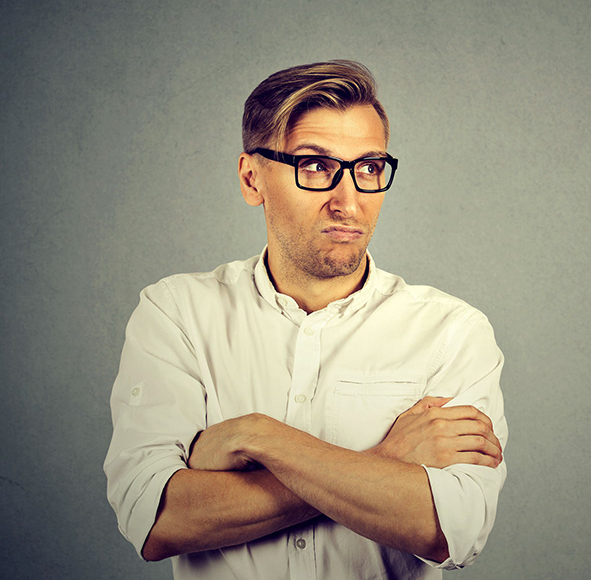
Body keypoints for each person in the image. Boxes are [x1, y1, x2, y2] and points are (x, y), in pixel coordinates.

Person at [104, 60, 508, 579]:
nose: (349, 201)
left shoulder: (452, 332)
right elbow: (158, 520)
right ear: (253, 179)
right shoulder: (177, 313)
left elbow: (450, 529)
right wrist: (386, 460)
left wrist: (260, 437)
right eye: (315, 166)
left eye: (369, 168)